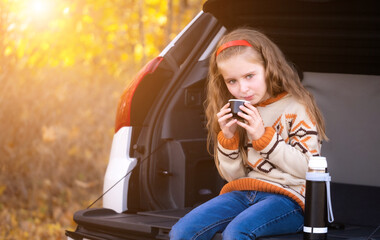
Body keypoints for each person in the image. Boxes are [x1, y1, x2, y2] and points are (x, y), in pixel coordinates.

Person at [170, 28, 328, 240]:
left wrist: (264, 138)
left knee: (236, 232)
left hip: (290, 199)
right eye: (232, 81)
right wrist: (228, 138)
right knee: (182, 231)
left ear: (269, 69)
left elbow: (308, 168)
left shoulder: (296, 107)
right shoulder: (240, 110)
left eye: (249, 76)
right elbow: (233, 177)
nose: (242, 88)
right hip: (244, 193)